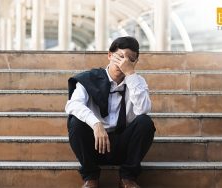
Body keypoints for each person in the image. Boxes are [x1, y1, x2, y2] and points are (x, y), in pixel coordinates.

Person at [65, 36, 155, 188]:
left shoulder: (137, 81)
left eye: (130, 60)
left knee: (145, 122)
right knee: (75, 123)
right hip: (94, 143)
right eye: (120, 56)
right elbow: (73, 104)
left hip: (122, 145)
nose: (124, 63)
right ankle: (91, 177)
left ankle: (128, 177)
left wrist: (131, 76)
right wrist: (96, 124)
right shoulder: (89, 79)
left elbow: (143, 109)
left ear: (135, 63)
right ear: (109, 55)